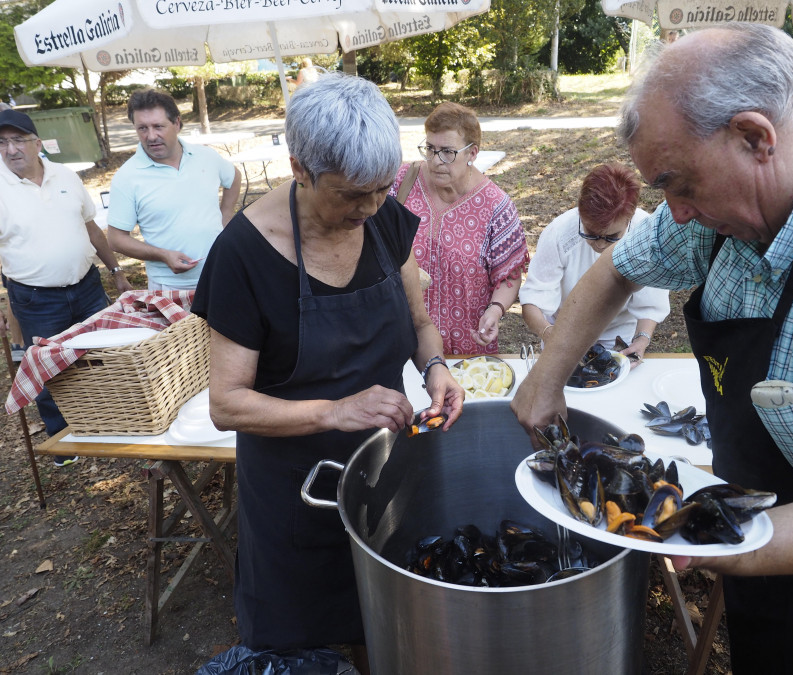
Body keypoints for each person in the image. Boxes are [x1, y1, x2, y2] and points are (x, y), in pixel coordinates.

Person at [511, 22, 793, 674]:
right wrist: (548, 377)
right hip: (752, 538)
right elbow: (617, 270)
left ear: (754, 137)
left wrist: (730, 543)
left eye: (679, 183)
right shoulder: (720, 198)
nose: (675, 213)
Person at [191, 73, 464, 670]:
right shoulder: (243, 254)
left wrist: (436, 366)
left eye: (381, 189)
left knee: (387, 621)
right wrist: (335, 411)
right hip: (295, 489)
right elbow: (227, 402)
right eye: (349, 194)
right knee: (298, 637)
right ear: (299, 167)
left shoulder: (385, 219)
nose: (369, 208)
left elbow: (421, 324)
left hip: (384, 467)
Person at [0, 110, 132, 466]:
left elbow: (91, 228)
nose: (11, 149)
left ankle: (111, 420)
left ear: (37, 143)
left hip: (87, 285)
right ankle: (64, 441)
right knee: (47, 366)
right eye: (2, 142)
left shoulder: (66, 176)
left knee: (100, 354)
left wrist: (116, 270)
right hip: (35, 296)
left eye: (18, 140)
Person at [389, 102, 529, 355]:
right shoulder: (401, 182)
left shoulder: (496, 207)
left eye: (447, 152)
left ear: (472, 153)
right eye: (430, 149)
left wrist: (495, 310)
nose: (436, 161)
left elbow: (509, 275)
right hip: (401, 342)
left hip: (465, 348)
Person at [519, 163, 668, 362]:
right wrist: (550, 335)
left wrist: (641, 340)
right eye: (590, 233)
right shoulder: (559, 232)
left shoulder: (646, 234)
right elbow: (534, 302)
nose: (599, 244)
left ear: (629, 219)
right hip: (562, 335)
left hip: (620, 340)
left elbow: (651, 302)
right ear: (580, 211)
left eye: (611, 236)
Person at [106, 89, 241, 291]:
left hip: (222, 274)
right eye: (142, 128)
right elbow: (116, 240)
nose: (151, 136)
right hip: (171, 286)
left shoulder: (206, 156)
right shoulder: (127, 177)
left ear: (177, 123)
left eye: (158, 126)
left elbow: (234, 176)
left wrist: (226, 215)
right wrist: (163, 255)